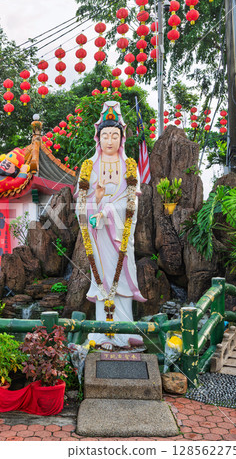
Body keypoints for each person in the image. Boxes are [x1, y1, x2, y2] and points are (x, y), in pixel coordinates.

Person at [75, 100, 146, 350]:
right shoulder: (89, 167)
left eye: (114, 135)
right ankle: (103, 332)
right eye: (105, 135)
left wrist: (108, 210)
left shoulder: (129, 166)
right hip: (99, 234)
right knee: (102, 278)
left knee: (124, 278)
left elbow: (132, 205)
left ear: (121, 138)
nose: (109, 141)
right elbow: (80, 205)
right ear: (98, 138)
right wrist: (97, 201)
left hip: (120, 234)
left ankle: (126, 332)